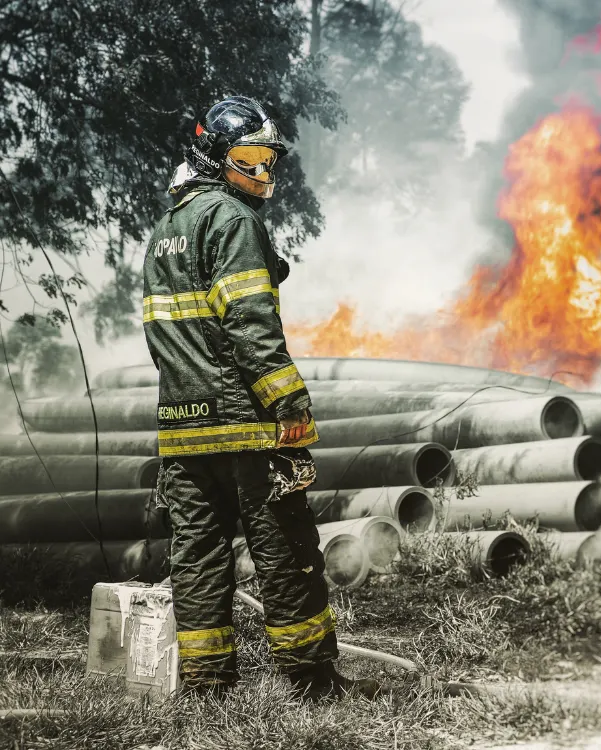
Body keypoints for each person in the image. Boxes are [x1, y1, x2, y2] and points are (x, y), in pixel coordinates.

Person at [142, 95, 376, 700]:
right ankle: (314, 683)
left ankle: (206, 686)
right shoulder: (233, 220)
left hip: (182, 426)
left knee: (197, 555)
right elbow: (249, 324)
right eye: (250, 158)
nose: (263, 172)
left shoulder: (166, 230)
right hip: (245, 424)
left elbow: (168, 335)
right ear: (216, 157)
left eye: (269, 160)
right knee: (285, 547)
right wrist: (290, 405)